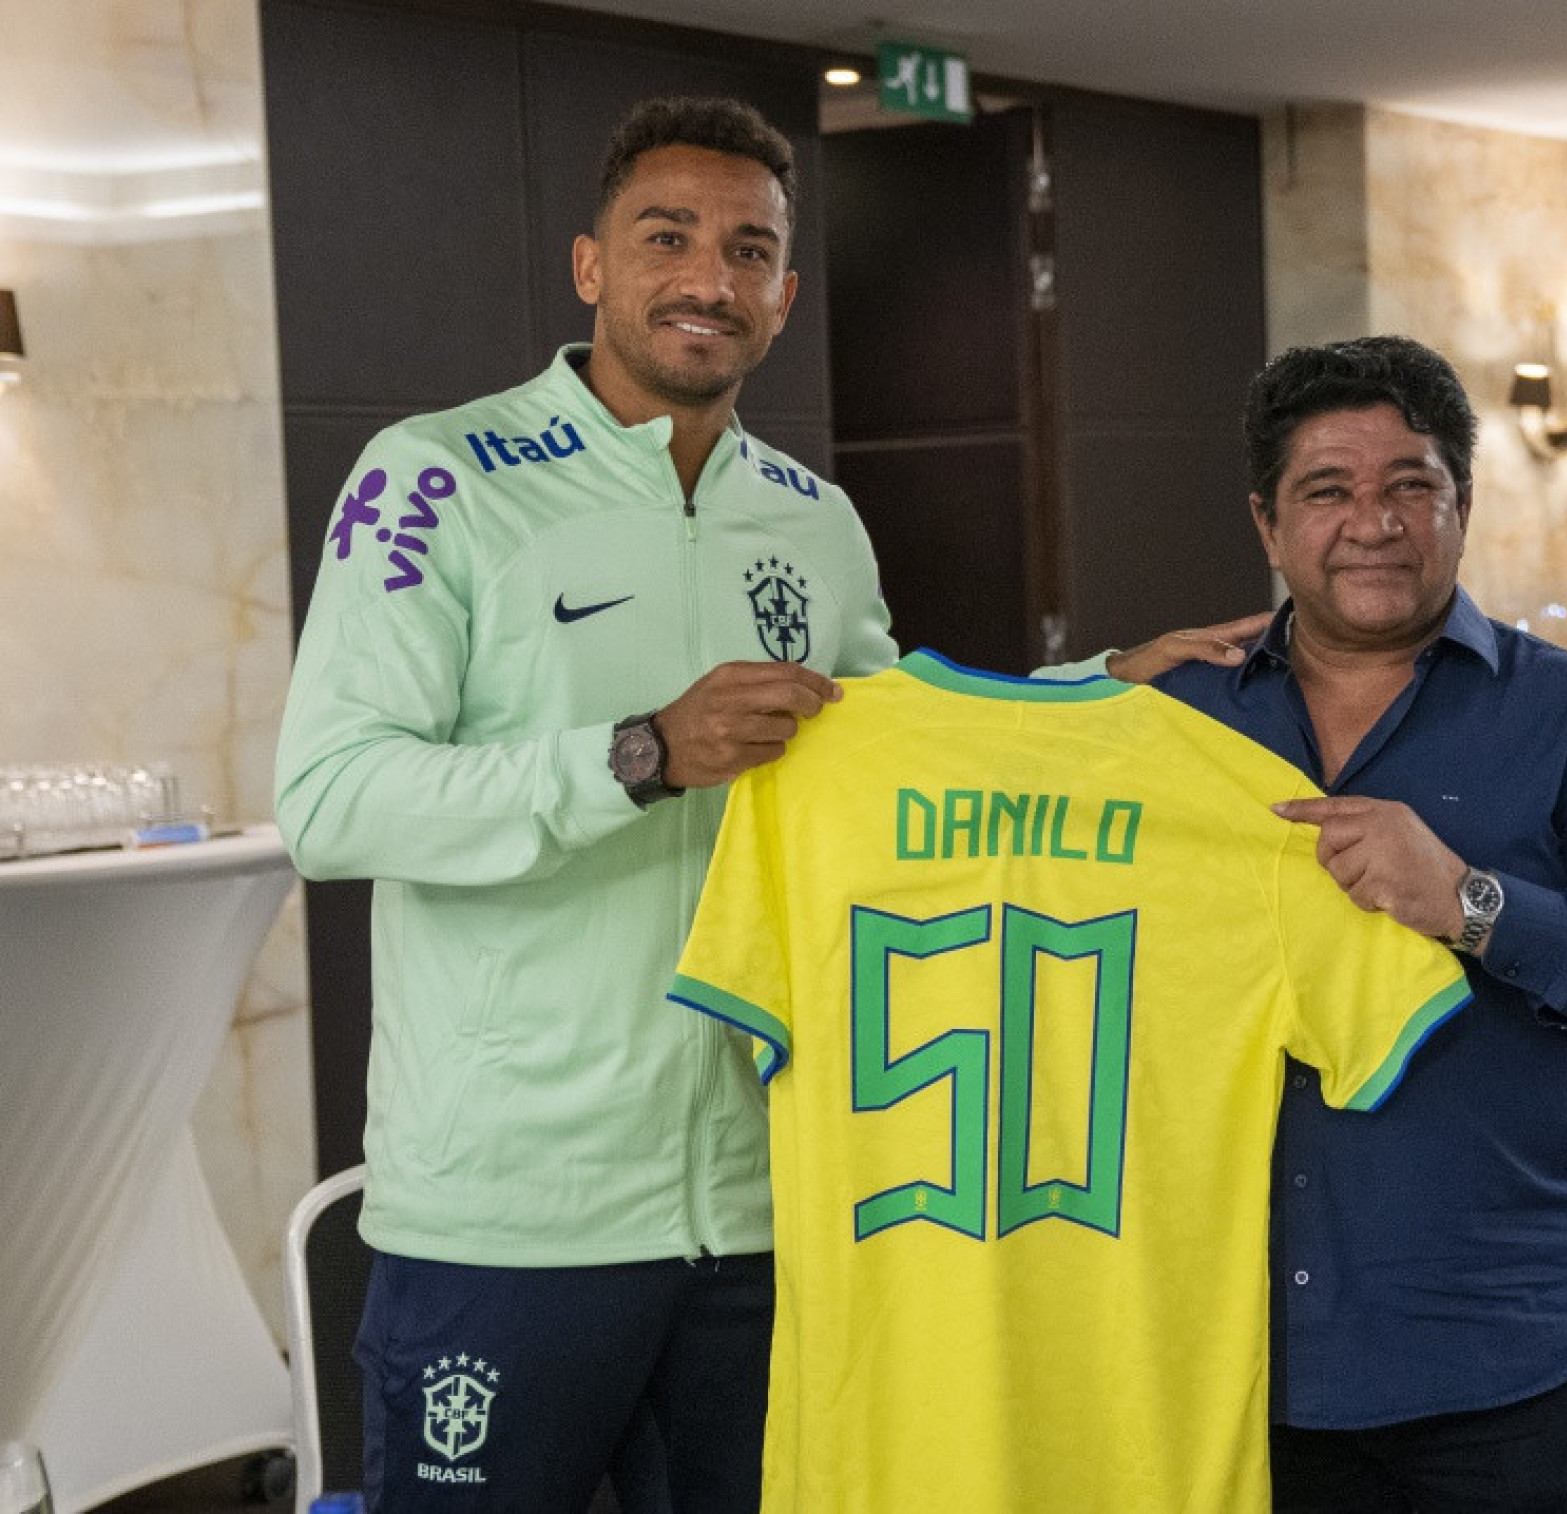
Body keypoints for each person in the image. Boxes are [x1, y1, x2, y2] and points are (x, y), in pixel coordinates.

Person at [275, 95, 1255, 1512]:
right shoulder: (438, 478)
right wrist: (638, 754)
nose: (707, 279)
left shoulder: (811, 514)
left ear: (786, 297)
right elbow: (332, 800)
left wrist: (1097, 688)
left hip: (765, 1196)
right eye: (666, 237)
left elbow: (898, 748)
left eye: (749, 251)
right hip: (511, 1208)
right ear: (591, 267)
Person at [1154, 335, 1567, 1514]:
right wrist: (1085, 678)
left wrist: (1475, 902)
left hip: (1515, 1346)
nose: (1372, 520)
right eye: (1328, 490)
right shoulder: (1173, 720)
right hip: (1235, 1355)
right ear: (1268, 524)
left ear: (1461, 507)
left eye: (1409, 485)